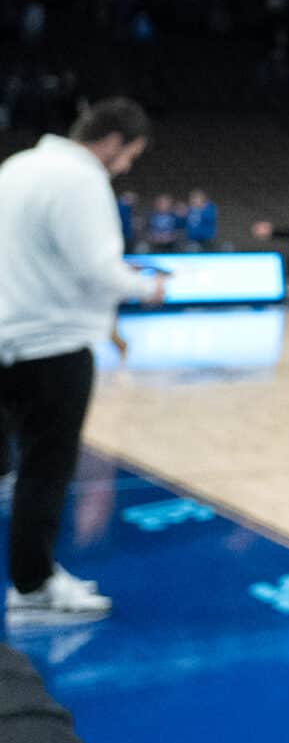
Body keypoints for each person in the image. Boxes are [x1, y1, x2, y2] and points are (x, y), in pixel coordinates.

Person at [0, 99, 167, 624]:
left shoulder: (18, 166)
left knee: (14, 466)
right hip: (53, 345)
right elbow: (98, 269)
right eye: (129, 157)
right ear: (114, 141)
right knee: (45, 470)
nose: (125, 168)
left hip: (7, 337)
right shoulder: (81, 179)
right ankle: (34, 587)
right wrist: (147, 287)